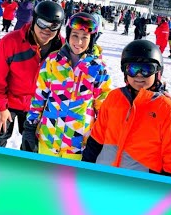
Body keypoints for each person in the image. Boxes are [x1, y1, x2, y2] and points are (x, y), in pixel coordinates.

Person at [81, 40, 171, 178]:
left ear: (158, 73)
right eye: (133, 69)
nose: (139, 75)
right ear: (125, 72)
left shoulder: (169, 112)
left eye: (146, 69)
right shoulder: (114, 98)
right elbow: (96, 140)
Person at [25, 12, 113, 161]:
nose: (78, 42)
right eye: (75, 35)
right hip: (48, 139)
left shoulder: (98, 68)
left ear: (92, 39)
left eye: (84, 37)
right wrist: (30, 126)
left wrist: (100, 137)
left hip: (78, 144)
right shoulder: (53, 61)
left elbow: (103, 105)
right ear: (68, 35)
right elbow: (39, 97)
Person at [0, 0, 65, 150]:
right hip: (8, 102)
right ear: (34, 20)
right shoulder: (10, 42)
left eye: (53, 26)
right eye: (42, 23)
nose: (46, 30)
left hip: (37, 107)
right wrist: (0, 108)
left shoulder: (63, 49)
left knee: (34, 147)